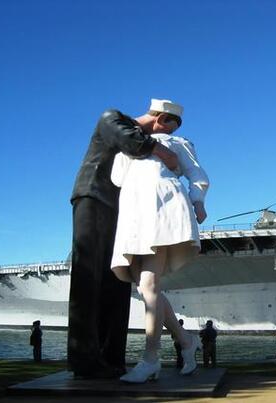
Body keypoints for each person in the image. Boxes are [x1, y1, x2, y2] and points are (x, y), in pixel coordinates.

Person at [68, 100, 179, 379]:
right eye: (168, 129)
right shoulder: (112, 118)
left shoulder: (145, 140)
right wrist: (165, 153)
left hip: (123, 210)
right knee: (88, 278)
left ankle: (112, 357)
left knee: (118, 282)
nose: (166, 137)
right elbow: (132, 142)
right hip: (93, 196)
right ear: (161, 119)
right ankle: (84, 360)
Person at [110, 99, 210, 382]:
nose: (168, 129)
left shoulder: (177, 143)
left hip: (162, 207)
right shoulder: (132, 145)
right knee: (146, 287)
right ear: (158, 118)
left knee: (149, 286)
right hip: (134, 213)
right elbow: (117, 178)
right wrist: (132, 147)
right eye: (167, 124)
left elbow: (196, 174)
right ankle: (186, 340)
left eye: (172, 126)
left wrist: (198, 201)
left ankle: (151, 358)